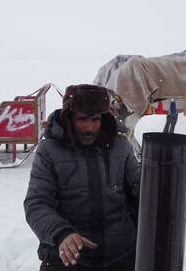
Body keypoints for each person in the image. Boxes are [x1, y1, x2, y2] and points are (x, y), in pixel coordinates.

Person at [24, 84, 141, 271]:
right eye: (82, 119)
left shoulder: (121, 146)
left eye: (95, 119)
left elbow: (141, 191)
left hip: (121, 254)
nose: (89, 127)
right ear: (68, 118)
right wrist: (62, 234)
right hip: (69, 257)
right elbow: (36, 203)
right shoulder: (49, 150)